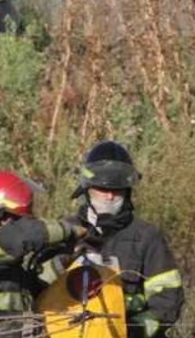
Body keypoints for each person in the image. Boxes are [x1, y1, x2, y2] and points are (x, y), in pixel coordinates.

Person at [63, 140, 184, 338]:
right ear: (87, 188)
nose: (110, 196)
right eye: (103, 189)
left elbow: (167, 301)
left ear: (127, 191)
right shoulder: (66, 232)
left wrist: (132, 330)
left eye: (117, 189)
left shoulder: (146, 237)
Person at [0, 170, 85, 337]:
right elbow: (28, 232)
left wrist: (62, 261)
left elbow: (27, 288)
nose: (22, 222)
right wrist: (74, 230)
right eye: (19, 219)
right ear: (4, 217)